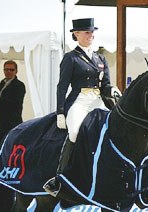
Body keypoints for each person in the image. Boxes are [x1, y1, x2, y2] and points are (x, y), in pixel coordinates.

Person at [44, 18, 121, 196]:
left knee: (115, 129)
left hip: (98, 100)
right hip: (79, 100)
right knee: (75, 132)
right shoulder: (71, 58)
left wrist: (114, 91)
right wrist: (60, 112)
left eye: (92, 32)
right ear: (76, 34)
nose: (91, 35)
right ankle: (59, 178)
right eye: (87, 32)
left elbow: (106, 84)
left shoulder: (100, 58)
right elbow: (62, 86)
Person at [0, 60, 26, 151]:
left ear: (16, 71)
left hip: (11, 123)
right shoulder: (3, 82)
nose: (8, 72)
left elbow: (16, 104)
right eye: (6, 70)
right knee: (0, 148)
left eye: (11, 70)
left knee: (10, 148)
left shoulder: (19, 85)